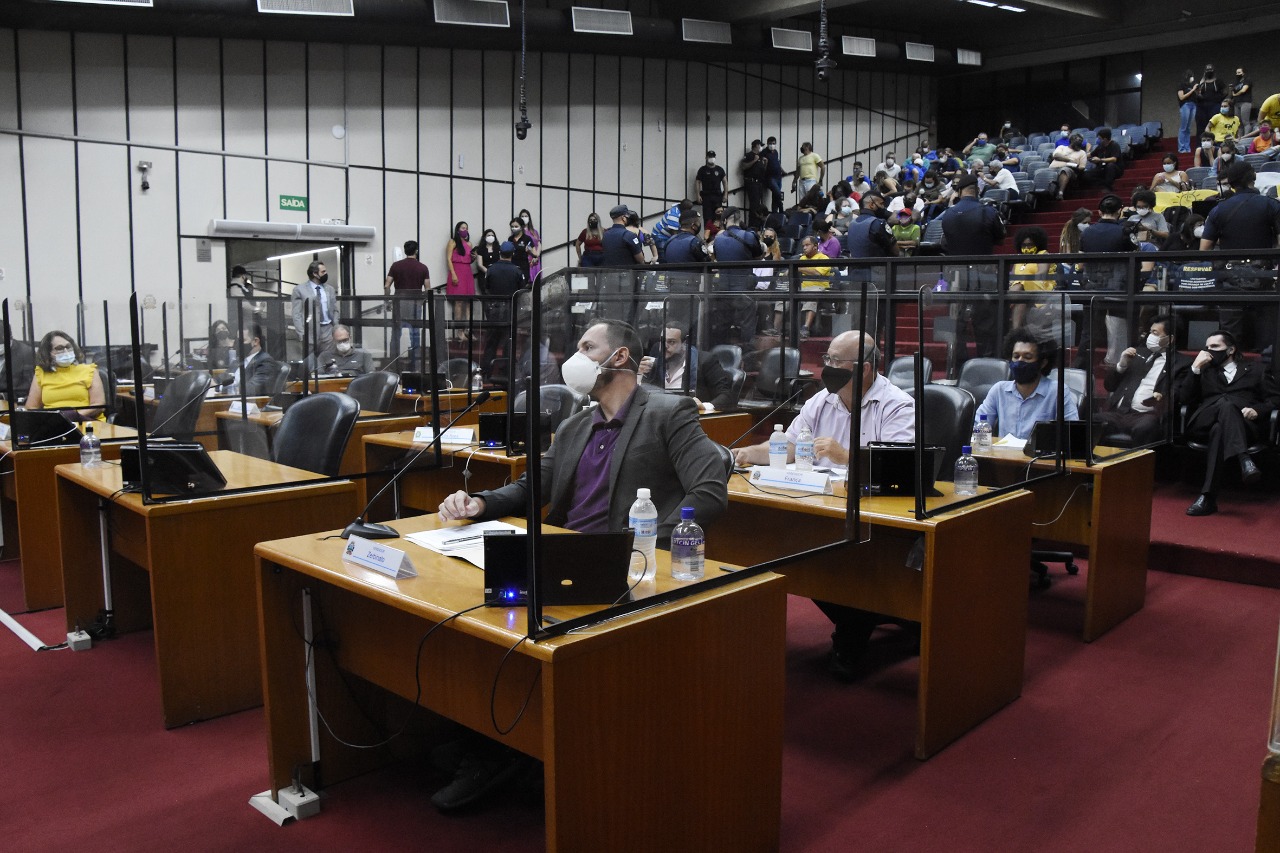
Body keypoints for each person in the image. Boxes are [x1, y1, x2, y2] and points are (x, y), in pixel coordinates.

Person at [731, 330, 915, 679]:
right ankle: (856, 619)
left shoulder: (897, 405)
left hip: (876, 515)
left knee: (838, 564)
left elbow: (899, 469)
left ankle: (857, 625)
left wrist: (843, 455)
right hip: (824, 505)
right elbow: (787, 445)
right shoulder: (822, 400)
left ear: (863, 368)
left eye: (835, 361)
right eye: (826, 359)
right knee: (800, 558)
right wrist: (744, 453)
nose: (826, 367)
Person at [1179, 329, 1280, 516]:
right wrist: (1195, 368)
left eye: (1215, 346)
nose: (1209, 351)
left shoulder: (1257, 370)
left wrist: (1257, 410)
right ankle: (1244, 459)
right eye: (1207, 347)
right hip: (1204, 422)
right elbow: (1183, 398)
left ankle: (1208, 498)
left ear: (1231, 349)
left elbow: (1275, 400)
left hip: (1243, 425)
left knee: (1219, 430)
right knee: (1225, 405)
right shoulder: (1203, 370)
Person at [1095, 316, 1189, 447]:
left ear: (1170, 339)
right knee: (1093, 421)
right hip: (1118, 413)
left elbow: (1178, 394)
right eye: (1150, 332)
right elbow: (1109, 386)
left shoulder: (1181, 363)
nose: (1150, 336)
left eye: (1155, 333)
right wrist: (1121, 366)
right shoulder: (1136, 354)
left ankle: (1138, 466)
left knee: (1146, 427)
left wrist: (1161, 396)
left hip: (1145, 416)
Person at [974, 328, 1079, 441]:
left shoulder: (1058, 391)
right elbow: (978, 427)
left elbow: (1072, 434)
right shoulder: (999, 390)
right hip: (1003, 456)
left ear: (1043, 363)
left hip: (1039, 458)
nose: (1020, 361)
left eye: (1027, 357)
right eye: (1016, 356)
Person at [638, 320, 736, 411]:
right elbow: (642, 397)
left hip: (694, 418)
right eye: (662, 341)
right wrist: (639, 376)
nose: (665, 346)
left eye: (671, 342)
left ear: (684, 344)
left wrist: (704, 406)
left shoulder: (704, 362)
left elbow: (727, 396)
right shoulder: (654, 364)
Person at [25, 330, 105, 420]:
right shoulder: (41, 373)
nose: (66, 351)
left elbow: (99, 405)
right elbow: (31, 407)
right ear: (48, 353)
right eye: (59, 348)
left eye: (68, 347)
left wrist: (71, 417)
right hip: (53, 423)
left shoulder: (89, 370)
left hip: (84, 421)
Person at [480, 241, 528, 369]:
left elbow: (487, 288)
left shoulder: (491, 269)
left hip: (493, 309)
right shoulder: (517, 271)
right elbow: (521, 291)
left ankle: (486, 370)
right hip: (510, 309)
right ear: (512, 254)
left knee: (491, 342)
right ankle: (506, 370)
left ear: (500, 253)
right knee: (508, 342)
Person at [384, 240, 431, 355]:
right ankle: (415, 363)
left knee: (396, 333)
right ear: (416, 251)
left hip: (399, 304)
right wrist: (423, 301)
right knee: (415, 332)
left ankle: (393, 363)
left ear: (405, 251)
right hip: (415, 304)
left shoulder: (395, 266)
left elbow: (387, 285)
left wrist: (387, 301)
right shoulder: (423, 268)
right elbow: (428, 289)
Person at [1008, 227, 1056, 335]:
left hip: (1041, 290)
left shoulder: (1043, 254)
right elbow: (1013, 280)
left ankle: (1006, 302)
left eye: (1030, 245)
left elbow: (1042, 273)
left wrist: (1025, 279)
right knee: (1020, 299)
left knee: (1023, 281)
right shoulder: (1019, 260)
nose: (1027, 248)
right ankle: (1015, 334)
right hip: (1022, 295)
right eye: (1024, 245)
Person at [292, 260, 337, 356]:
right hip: (310, 332)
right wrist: (302, 333)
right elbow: (297, 314)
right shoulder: (299, 290)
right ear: (315, 274)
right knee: (310, 362)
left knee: (328, 360)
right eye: (323, 272)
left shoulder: (330, 289)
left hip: (328, 330)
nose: (326, 274)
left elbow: (335, 309)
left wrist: (335, 327)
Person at [795, 235, 832, 339]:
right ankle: (777, 328)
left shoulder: (824, 258)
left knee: (811, 295)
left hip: (819, 288)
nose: (804, 248)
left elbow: (817, 273)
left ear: (815, 246)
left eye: (807, 245)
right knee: (783, 297)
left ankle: (805, 328)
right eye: (803, 246)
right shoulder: (802, 258)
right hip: (802, 288)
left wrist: (800, 268)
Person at [445, 221, 476, 339]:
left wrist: (473, 258)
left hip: (467, 272)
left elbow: (468, 259)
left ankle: (468, 329)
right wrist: (453, 274)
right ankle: (459, 331)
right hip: (457, 271)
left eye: (466, 228)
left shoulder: (469, 244)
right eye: (463, 228)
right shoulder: (452, 242)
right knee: (458, 302)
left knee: (468, 302)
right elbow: (448, 259)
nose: (465, 230)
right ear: (457, 230)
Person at [231, 324, 279, 397]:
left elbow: (252, 389)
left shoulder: (265, 361)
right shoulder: (238, 360)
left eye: (242, 340)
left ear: (256, 341)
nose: (238, 344)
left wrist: (229, 387)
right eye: (238, 340)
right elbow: (219, 380)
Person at [1047, 134, 1088, 200]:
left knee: (1064, 170)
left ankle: (1060, 193)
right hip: (1053, 169)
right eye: (1078, 140)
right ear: (1072, 140)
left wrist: (1074, 166)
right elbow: (1056, 156)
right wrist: (1070, 160)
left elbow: (1082, 167)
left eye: (1081, 141)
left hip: (1071, 171)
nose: (1079, 142)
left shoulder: (1082, 153)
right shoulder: (1062, 147)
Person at [695, 150, 726, 227]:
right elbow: (697, 182)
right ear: (706, 158)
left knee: (719, 216)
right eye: (709, 156)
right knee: (707, 218)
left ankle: (718, 235)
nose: (711, 158)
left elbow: (725, 182)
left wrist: (725, 195)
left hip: (717, 196)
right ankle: (707, 237)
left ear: (715, 157)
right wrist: (698, 195)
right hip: (706, 197)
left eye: (713, 156)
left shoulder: (720, 169)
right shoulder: (702, 170)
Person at [741, 139, 768, 227]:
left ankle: (758, 224)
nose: (761, 147)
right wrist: (754, 161)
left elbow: (762, 171)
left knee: (759, 205)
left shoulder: (760, 156)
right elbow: (744, 166)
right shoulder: (749, 155)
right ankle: (752, 225)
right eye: (760, 145)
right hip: (752, 183)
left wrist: (765, 164)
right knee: (754, 205)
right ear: (756, 146)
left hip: (759, 183)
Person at [507, 215, 539, 280]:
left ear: (521, 227)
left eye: (516, 226)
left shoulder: (527, 238)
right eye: (512, 227)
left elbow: (535, 255)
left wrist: (529, 251)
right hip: (512, 267)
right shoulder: (510, 239)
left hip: (523, 267)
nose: (513, 228)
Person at [1178, 70, 1200, 154]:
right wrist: (1192, 90)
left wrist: (1197, 90)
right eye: (1191, 76)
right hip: (1185, 105)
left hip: (1193, 105)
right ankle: (1181, 148)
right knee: (1183, 127)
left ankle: (1187, 148)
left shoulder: (1193, 85)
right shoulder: (1182, 85)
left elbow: (1197, 96)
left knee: (1188, 128)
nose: (1192, 78)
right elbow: (1181, 97)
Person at [764, 136, 785, 213]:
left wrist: (783, 171)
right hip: (770, 177)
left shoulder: (775, 152)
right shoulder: (764, 152)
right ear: (767, 143)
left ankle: (774, 212)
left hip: (778, 176)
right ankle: (781, 209)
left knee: (775, 196)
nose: (772, 145)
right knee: (777, 193)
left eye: (773, 143)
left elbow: (778, 162)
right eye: (770, 143)